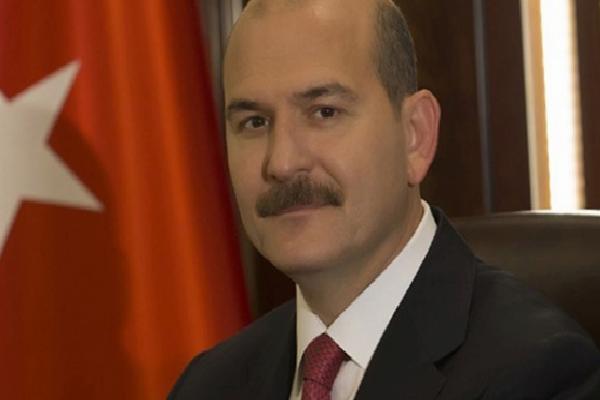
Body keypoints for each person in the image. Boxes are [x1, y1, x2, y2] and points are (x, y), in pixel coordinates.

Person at [169, 0, 600, 398]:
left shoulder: (538, 373)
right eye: (254, 122)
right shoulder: (207, 385)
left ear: (415, 136)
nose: (281, 162)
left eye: (324, 112)